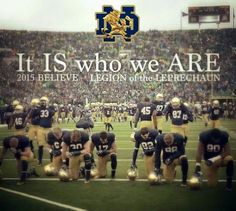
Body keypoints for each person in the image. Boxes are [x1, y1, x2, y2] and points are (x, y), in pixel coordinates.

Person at [37, 96, 55, 165]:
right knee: (40, 145)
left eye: (43, 101)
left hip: (48, 129)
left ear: (46, 102)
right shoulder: (39, 109)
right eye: (41, 101)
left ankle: (51, 160)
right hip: (41, 128)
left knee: (51, 144)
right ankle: (40, 161)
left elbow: (52, 114)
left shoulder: (49, 108)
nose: (42, 102)